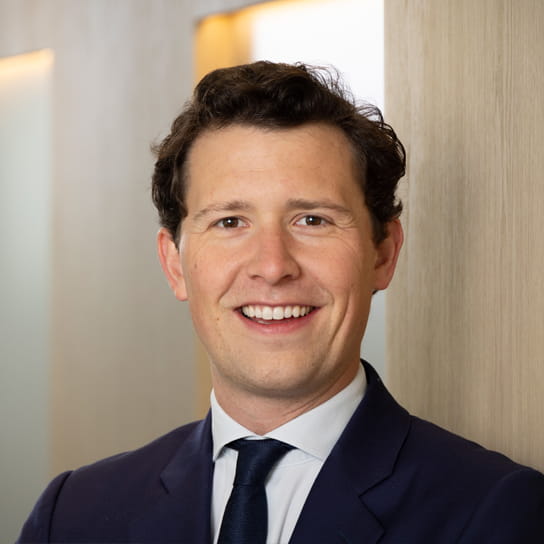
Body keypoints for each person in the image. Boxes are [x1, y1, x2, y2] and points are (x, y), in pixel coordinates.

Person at [18, 61, 544, 544]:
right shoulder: (72, 514)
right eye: (230, 222)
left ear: (383, 254)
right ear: (175, 263)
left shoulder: (498, 513)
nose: (272, 266)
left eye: (312, 220)